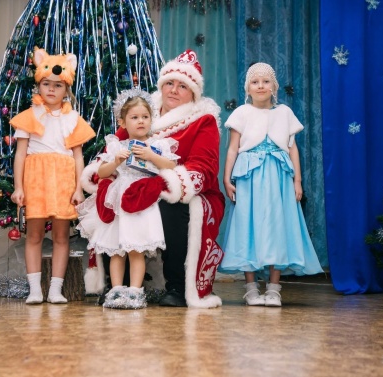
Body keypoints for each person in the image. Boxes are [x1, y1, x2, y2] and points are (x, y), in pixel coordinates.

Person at [82, 49, 225, 308]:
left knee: (171, 207)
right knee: (116, 202)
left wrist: (165, 183)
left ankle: (177, 286)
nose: (174, 90)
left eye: (183, 86)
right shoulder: (144, 110)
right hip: (135, 185)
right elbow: (113, 149)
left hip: (183, 191)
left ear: (193, 92)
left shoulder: (203, 120)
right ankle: (119, 286)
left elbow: (204, 168)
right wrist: (106, 171)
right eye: (169, 83)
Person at [219, 62, 323, 307]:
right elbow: (233, 148)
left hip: (278, 176)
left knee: (278, 225)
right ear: (248, 88)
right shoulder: (241, 113)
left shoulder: (284, 113)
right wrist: (227, 178)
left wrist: (297, 181)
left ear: (274, 87)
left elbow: (292, 148)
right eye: (255, 82)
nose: (260, 86)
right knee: (248, 224)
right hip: (249, 176)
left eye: (266, 81)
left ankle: (274, 289)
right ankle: (251, 288)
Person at [77, 89, 179, 309]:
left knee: (136, 249)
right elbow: (101, 173)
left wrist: (152, 156)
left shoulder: (158, 145)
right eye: (134, 117)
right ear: (123, 122)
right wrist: (115, 161)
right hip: (119, 202)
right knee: (116, 250)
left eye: (145, 116)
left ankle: (135, 291)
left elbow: (171, 166)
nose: (140, 121)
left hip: (142, 203)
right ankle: (116, 290)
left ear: (151, 119)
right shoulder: (117, 146)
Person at [10, 48, 95, 305]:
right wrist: (18, 187)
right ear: (39, 84)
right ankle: (35, 290)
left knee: (61, 236)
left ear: (66, 89)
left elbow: (78, 157)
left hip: (63, 181)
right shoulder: (29, 116)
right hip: (36, 181)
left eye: (58, 85)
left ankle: (55, 289)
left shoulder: (72, 118)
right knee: (34, 235)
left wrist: (78, 188)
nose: (51, 89)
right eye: (46, 83)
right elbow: (20, 155)